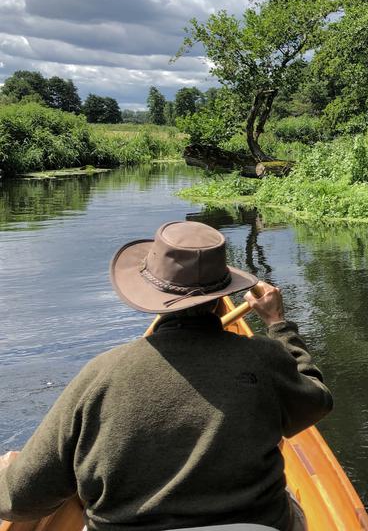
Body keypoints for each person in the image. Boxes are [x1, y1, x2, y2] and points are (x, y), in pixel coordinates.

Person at [0, 221, 333, 531]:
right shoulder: (264, 358)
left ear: (151, 294)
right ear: (221, 295)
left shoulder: (100, 375)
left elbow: (19, 500)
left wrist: (8, 473)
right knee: (290, 497)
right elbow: (316, 399)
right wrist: (278, 324)